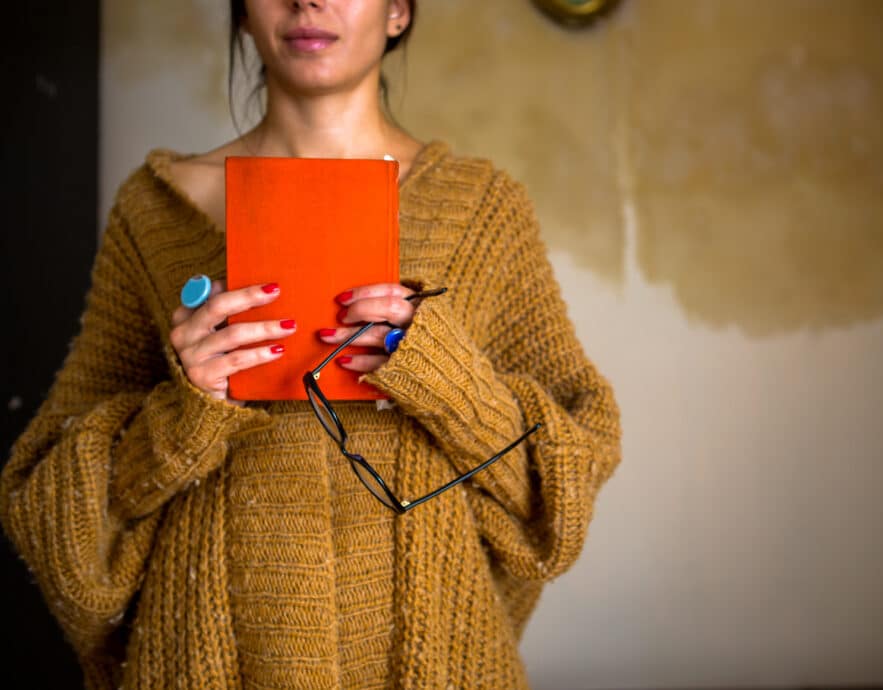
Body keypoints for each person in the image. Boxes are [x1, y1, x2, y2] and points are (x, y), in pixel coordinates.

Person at [0, 0, 621, 688]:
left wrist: (444, 376)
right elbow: (51, 506)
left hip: (433, 656)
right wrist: (180, 412)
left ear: (398, 12)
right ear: (240, 15)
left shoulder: (482, 209)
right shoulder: (155, 209)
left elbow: (564, 480)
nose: (307, 0)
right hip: (206, 659)